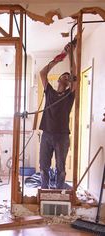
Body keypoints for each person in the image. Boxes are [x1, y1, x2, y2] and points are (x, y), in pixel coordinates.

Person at [39, 40, 77, 189]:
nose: (67, 77)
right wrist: (59, 58)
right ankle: (44, 190)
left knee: (61, 168)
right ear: (59, 78)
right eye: (65, 75)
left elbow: (75, 77)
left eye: (69, 77)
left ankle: (59, 191)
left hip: (62, 136)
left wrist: (71, 54)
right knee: (43, 167)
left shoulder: (70, 95)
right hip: (47, 134)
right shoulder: (50, 92)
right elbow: (43, 73)